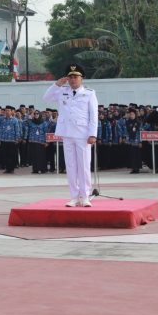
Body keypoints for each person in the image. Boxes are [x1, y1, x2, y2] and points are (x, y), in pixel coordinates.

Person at [42, 63, 98, 207]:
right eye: (70, 77)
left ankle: (85, 196)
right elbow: (46, 98)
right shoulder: (62, 91)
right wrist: (56, 84)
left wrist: (93, 134)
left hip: (83, 134)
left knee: (84, 165)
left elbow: (94, 116)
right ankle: (74, 196)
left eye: (76, 77)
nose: (73, 79)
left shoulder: (89, 93)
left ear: (81, 78)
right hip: (67, 133)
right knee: (71, 166)